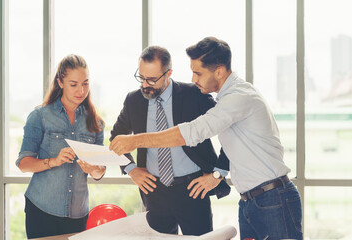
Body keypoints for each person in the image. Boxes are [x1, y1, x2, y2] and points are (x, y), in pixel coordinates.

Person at [110, 37, 303, 240]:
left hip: (271, 199)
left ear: (218, 72)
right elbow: (231, 142)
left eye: (198, 73)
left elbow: (193, 132)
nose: (194, 79)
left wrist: (135, 141)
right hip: (250, 199)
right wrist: (131, 168)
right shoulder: (226, 99)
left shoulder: (237, 98)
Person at [109, 46, 230, 236]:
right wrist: (131, 169)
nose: (145, 84)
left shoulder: (195, 94)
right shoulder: (133, 100)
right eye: (141, 77)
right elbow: (116, 139)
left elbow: (231, 131)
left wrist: (219, 173)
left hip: (193, 190)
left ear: (168, 73)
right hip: (154, 192)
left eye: (151, 79)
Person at [16, 54, 106, 239]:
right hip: (42, 210)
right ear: (60, 82)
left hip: (78, 214)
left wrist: (94, 169)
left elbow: (100, 171)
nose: (81, 90)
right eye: (73, 84)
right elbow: (23, 163)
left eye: (86, 83)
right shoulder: (40, 116)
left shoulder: (95, 122)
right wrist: (53, 161)